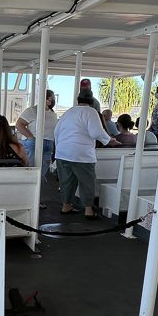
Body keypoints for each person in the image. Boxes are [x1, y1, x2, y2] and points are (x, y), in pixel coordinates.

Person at [55, 89, 113, 219]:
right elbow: (96, 132)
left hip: (63, 152)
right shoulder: (91, 112)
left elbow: (57, 131)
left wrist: (60, 147)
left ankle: (66, 206)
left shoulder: (68, 112)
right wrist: (109, 140)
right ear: (91, 101)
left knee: (66, 181)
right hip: (82, 154)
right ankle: (88, 210)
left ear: (78, 99)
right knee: (87, 181)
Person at [16, 89, 59, 180]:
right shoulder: (32, 111)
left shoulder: (52, 114)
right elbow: (19, 124)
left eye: (52, 99)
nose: (52, 101)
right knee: (32, 170)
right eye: (50, 99)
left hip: (49, 143)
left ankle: (38, 189)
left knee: (42, 171)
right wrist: (30, 137)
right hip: (34, 142)